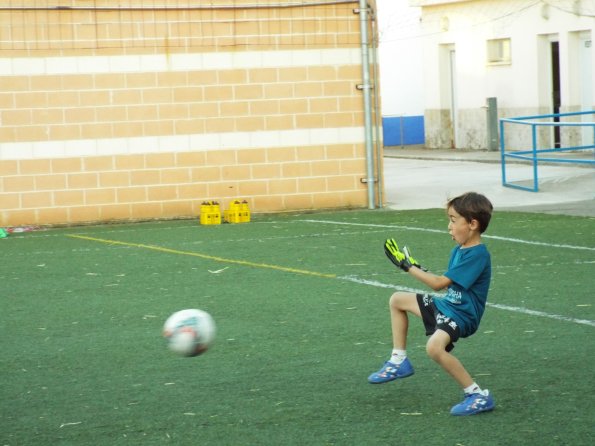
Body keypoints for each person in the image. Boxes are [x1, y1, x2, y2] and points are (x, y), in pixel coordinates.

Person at [368, 192, 495, 416]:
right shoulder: (459, 250)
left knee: (434, 348)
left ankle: (477, 395)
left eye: (453, 220)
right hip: (448, 306)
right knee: (397, 300)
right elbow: (450, 285)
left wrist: (408, 266)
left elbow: (438, 284)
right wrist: (419, 268)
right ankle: (399, 360)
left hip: (462, 316)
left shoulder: (478, 255)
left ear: (473, 224)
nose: (449, 226)